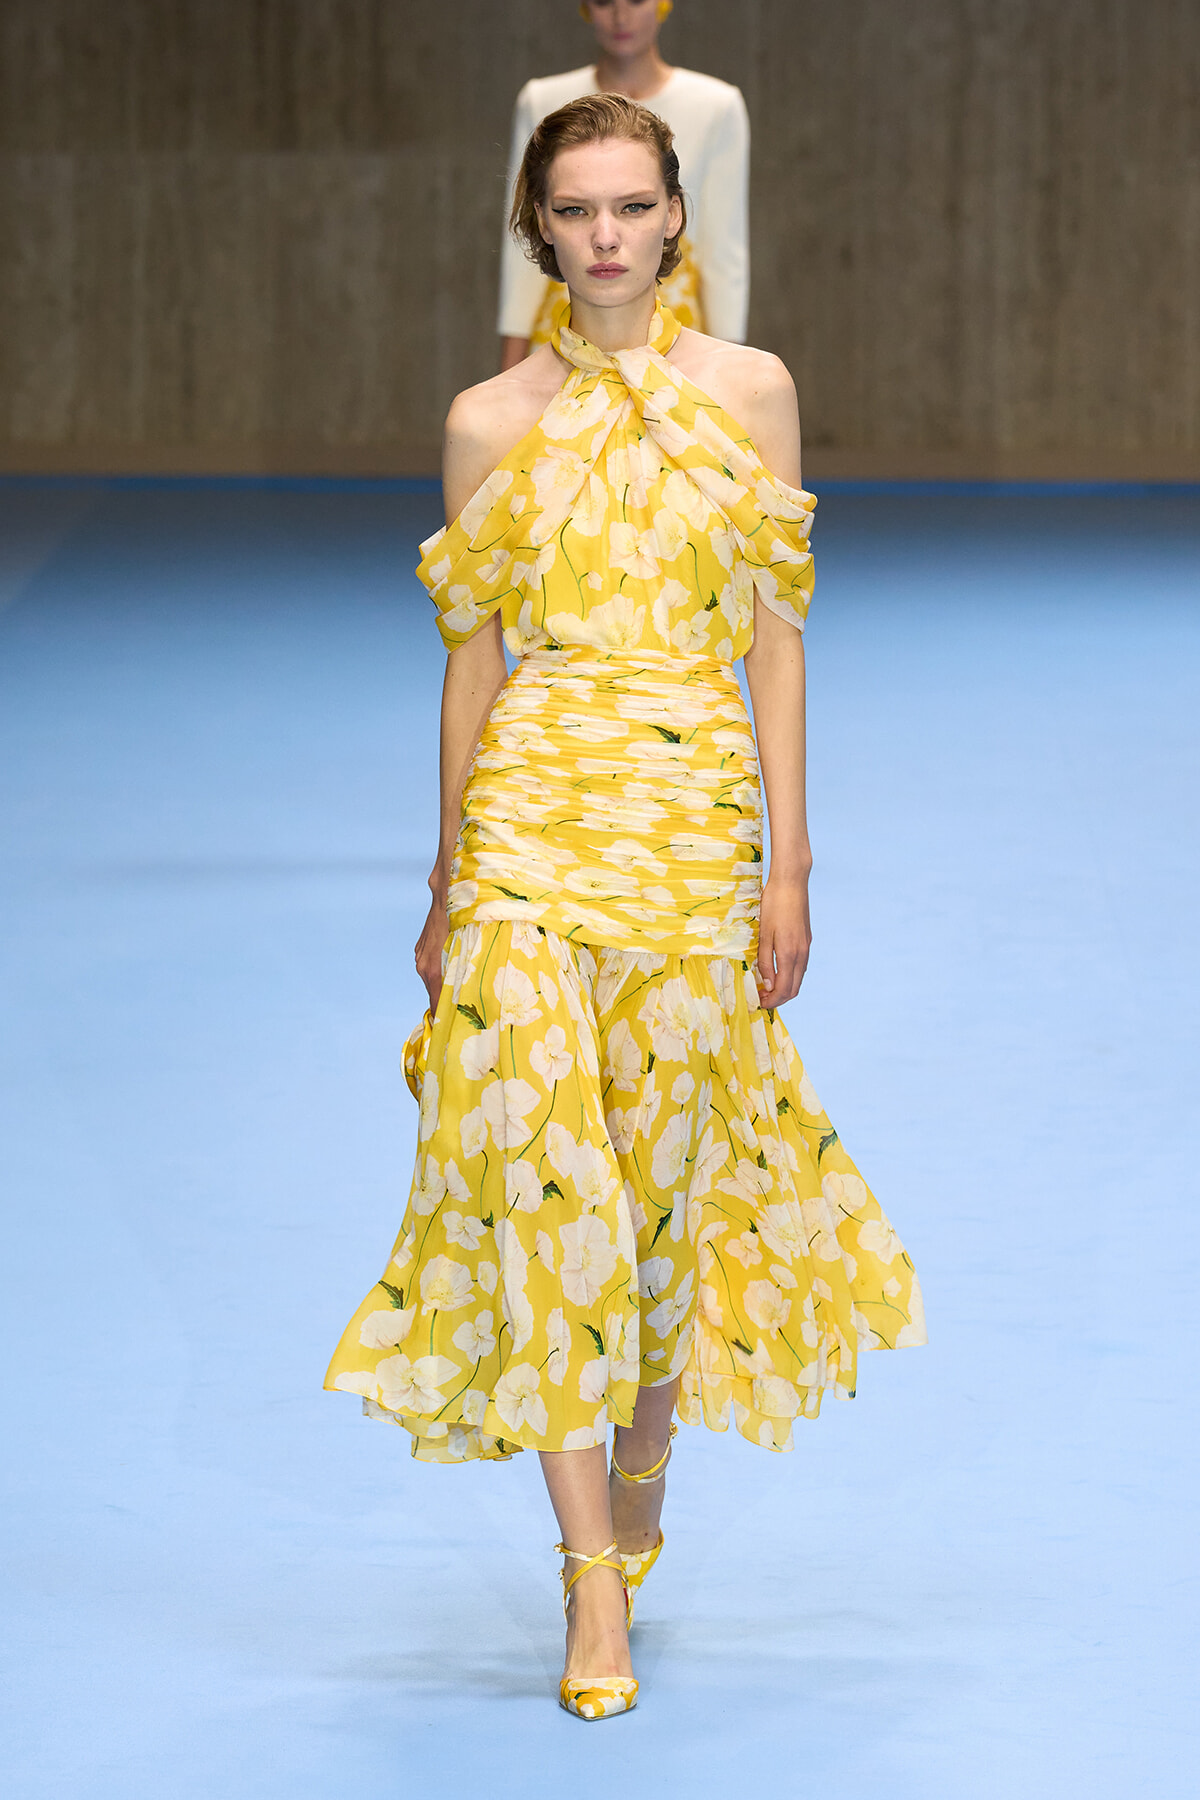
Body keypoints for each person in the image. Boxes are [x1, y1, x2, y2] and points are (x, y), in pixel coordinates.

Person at [326, 93, 925, 1722]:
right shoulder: (487, 420)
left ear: (676, 216)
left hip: (689, 820)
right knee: (544, 1176)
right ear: (538, 231)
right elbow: (471, 663)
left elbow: (779, 637)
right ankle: (593, 1582)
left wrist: (790, 865)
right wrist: (450, 878)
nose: (602, 236)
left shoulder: (752, 396)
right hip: (535, 813)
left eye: (628, 206)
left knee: (660, 1203)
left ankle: (643, 1471)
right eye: (572, 210)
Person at [498, 0, 749, 369]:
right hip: (566, 314)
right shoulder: (542, 100)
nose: (621, 15)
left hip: (672, 320)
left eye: (635, 0)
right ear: (585, 7)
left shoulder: (716, 106)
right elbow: (520, 244)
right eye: (604, 2)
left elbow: (723, 250)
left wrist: (731, 366)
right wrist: (510, 365)